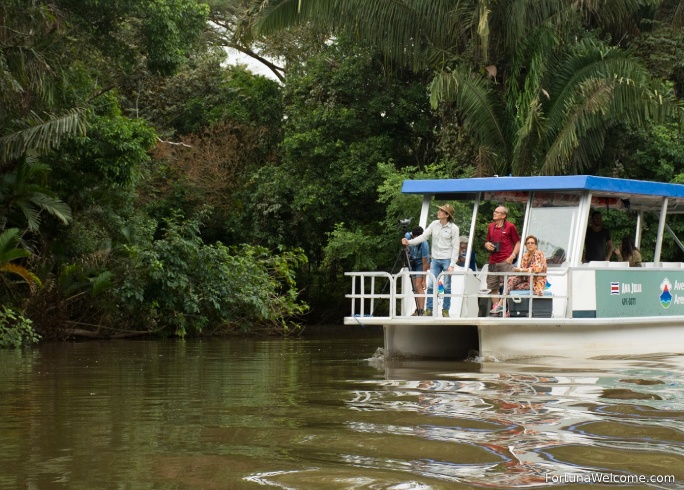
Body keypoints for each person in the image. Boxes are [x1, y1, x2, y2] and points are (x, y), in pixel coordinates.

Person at [402, 204, 459, 318]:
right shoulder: (434, 224)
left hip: (447, 259)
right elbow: (423, 237)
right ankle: (429, 309)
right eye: (439, 210)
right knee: (432, 285)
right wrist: (409, 242)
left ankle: (445, 310)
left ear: (447, 215)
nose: (438, 212)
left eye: (441, 211)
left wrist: (452, 264)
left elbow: (456, 247)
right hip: (435, 259)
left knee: (447, 286)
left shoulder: (454, 228)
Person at [491, 235, 547, 314]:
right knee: (510, 282)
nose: (530, 244)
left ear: (536, 245)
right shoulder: (525, 256)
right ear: (526, 245)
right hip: (526, 280)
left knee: (510, 286)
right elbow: (522, 270)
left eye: (532, 243)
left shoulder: (539, 254)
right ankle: (509, 310)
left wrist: (520, 269)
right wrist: (517, 270)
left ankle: (504, 307)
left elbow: (536, 269)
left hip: (536, 283)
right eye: (528, 243)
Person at [484, 205, 521, 298]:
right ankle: (496, 309)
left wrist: (512, 256)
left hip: (505, 260)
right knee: (492, 286)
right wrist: (487, 245)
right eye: (494, 211)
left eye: (497, 212)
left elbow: (518, 243)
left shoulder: (510, 226)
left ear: (503, 215)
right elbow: (487, 241)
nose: (494, 213)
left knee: (509, 285)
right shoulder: (491, 226)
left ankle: (508, 309)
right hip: (492, 261)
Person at [405, 226, 430, 315]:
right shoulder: (408, 236)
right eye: (415, 238)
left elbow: (425, 263)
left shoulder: (424, 244)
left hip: (420, 263)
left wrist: (424, 279)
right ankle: (418, 308)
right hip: (413, 262)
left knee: (418, 285)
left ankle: (421, 310)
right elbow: (406, 237)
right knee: (415, 287)